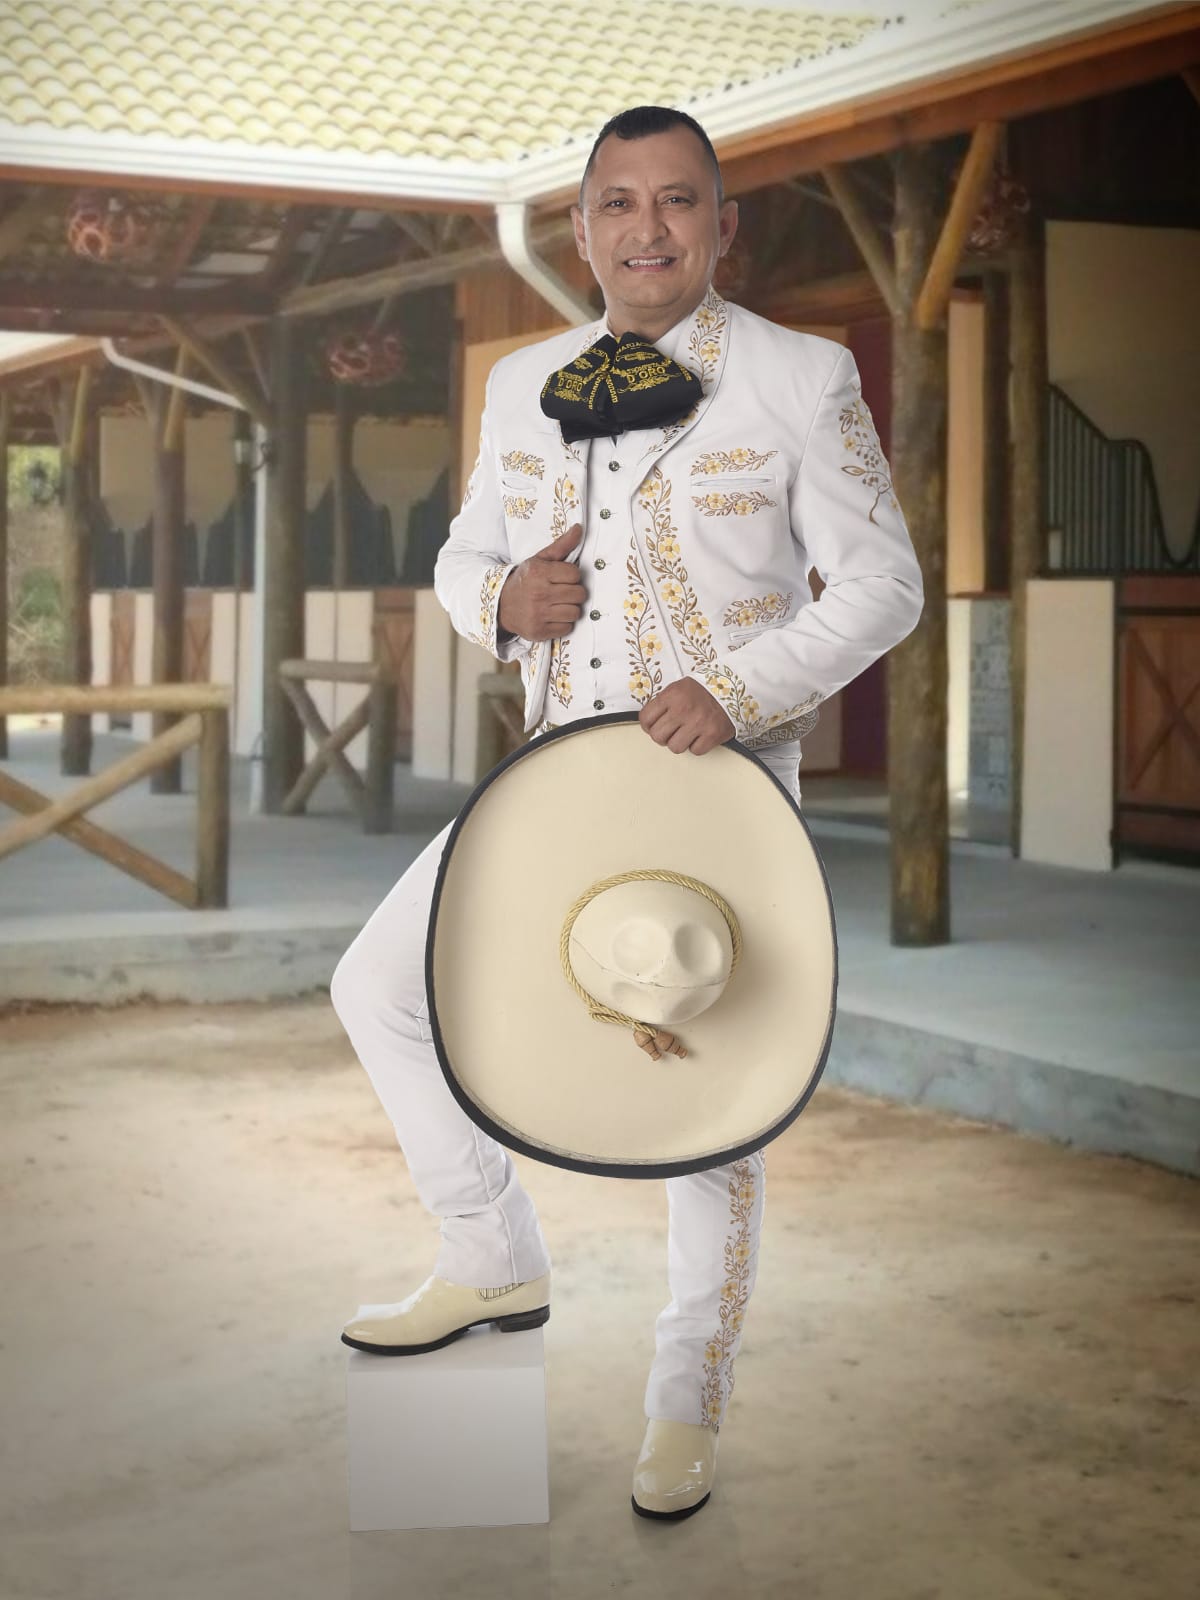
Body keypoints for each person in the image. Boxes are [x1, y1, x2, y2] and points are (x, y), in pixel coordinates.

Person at [330, 104, 923, 1521]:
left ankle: (685, 1399)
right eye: (617, 204)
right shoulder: (526, 377)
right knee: (376, 988)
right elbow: (467, 553)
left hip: (712, 789)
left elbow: (884, 585)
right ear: (583, 228)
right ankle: (491, 1257)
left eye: (676, 203)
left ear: (722, 227)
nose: (646, 228)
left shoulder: (799, 374)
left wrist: (736, 685)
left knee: (710, 1111)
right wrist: (498, 603)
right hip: (552, 784)